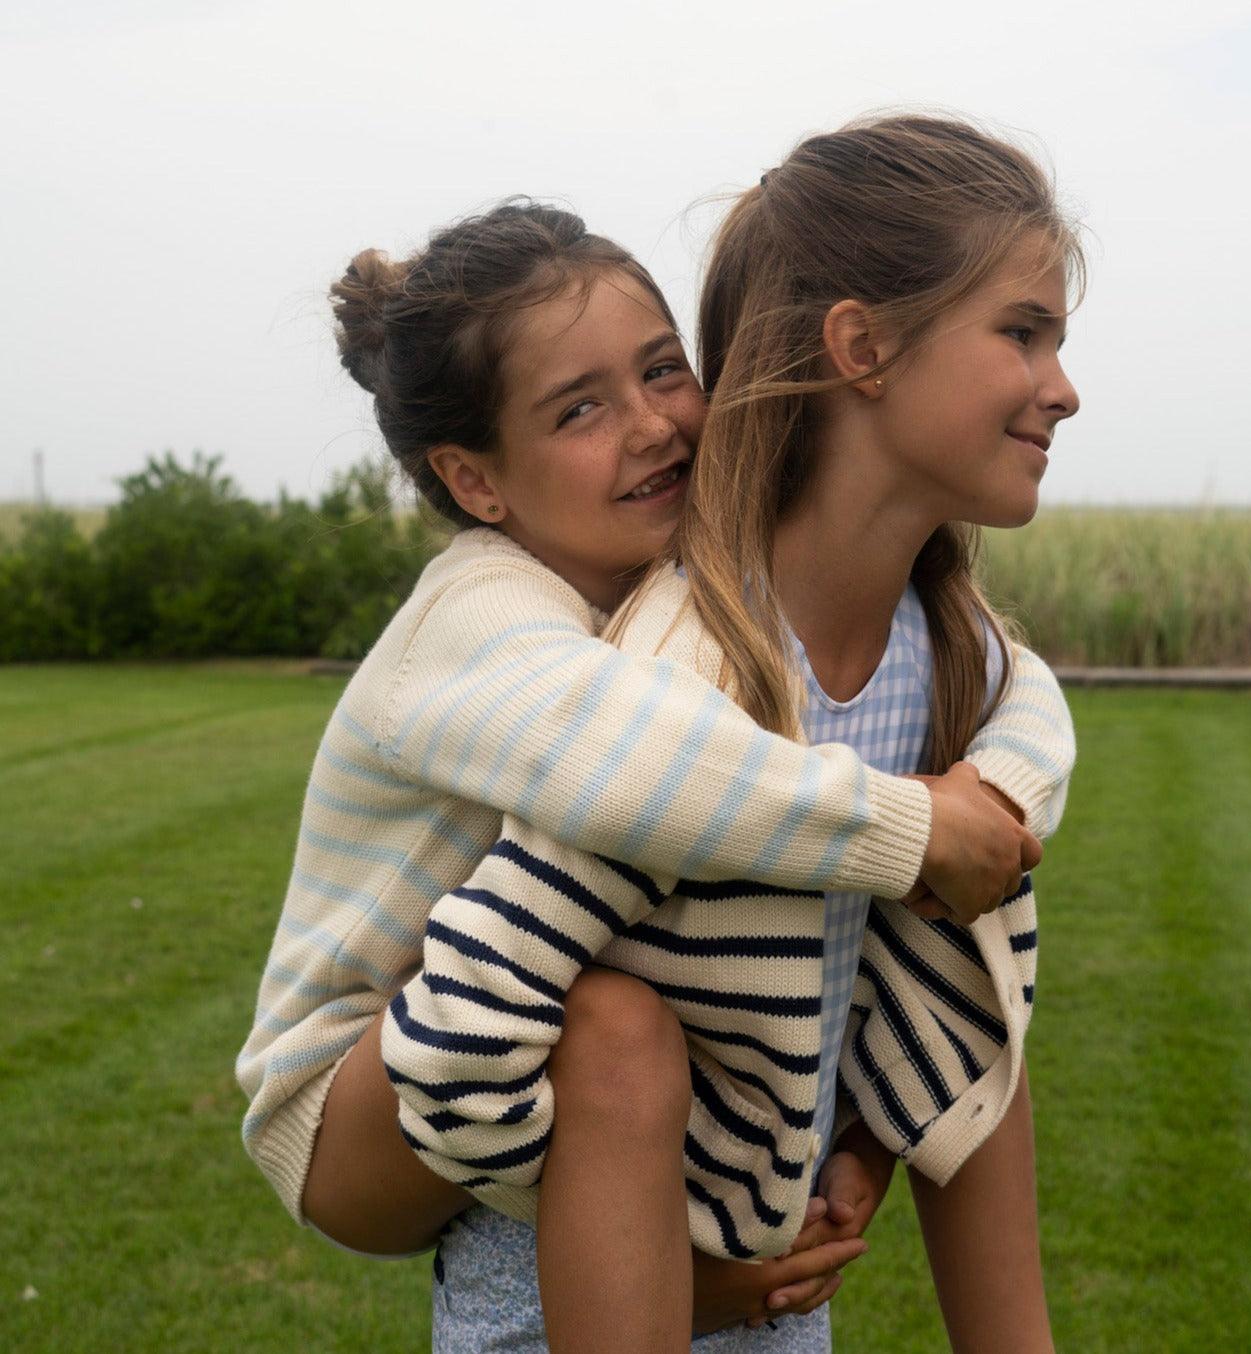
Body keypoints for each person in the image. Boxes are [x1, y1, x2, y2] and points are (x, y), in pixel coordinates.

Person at [235, 197, 1073, 1347]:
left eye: (662, 371)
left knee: (634, 1012)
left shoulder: (671, 572)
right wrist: (911, 825)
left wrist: (1005, 784)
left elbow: (999, 663)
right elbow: (649, 766)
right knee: (618, 1025)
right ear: (477, 483)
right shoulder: (480, 614)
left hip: (509, 1024)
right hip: (353, 1100)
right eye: (581, 408)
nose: (652, 425)